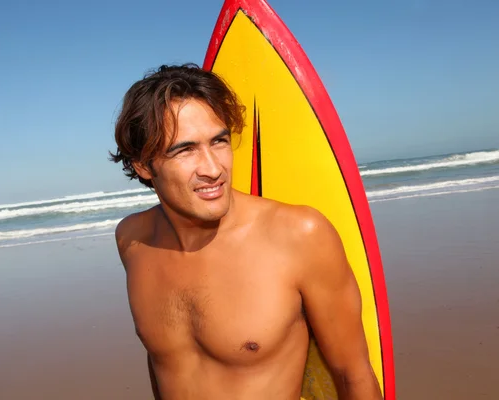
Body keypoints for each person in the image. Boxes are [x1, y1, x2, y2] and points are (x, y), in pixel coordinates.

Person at [109, 63, 382, 399]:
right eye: (185, 149)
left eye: (219, 141)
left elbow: (353, 373)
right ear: (143, 165)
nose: (213, 168)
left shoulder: (299, 236)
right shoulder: (133, 240)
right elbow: (162, 364)